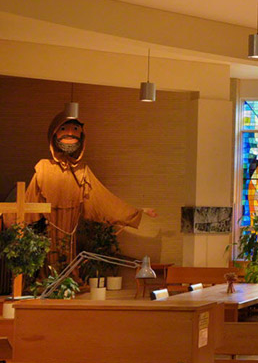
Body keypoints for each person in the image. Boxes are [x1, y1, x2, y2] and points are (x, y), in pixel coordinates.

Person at [1, 112, 156, 264]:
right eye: (63, 129)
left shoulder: (82, 171)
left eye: (75, 129)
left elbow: (104, 201)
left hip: (71, 234)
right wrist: (6, 215)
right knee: (50, 260)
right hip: (49, 232)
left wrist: (136, 212)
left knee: (68, 260)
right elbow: (28, 202)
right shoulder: (43, 168)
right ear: (53, 135)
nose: (70, 134)